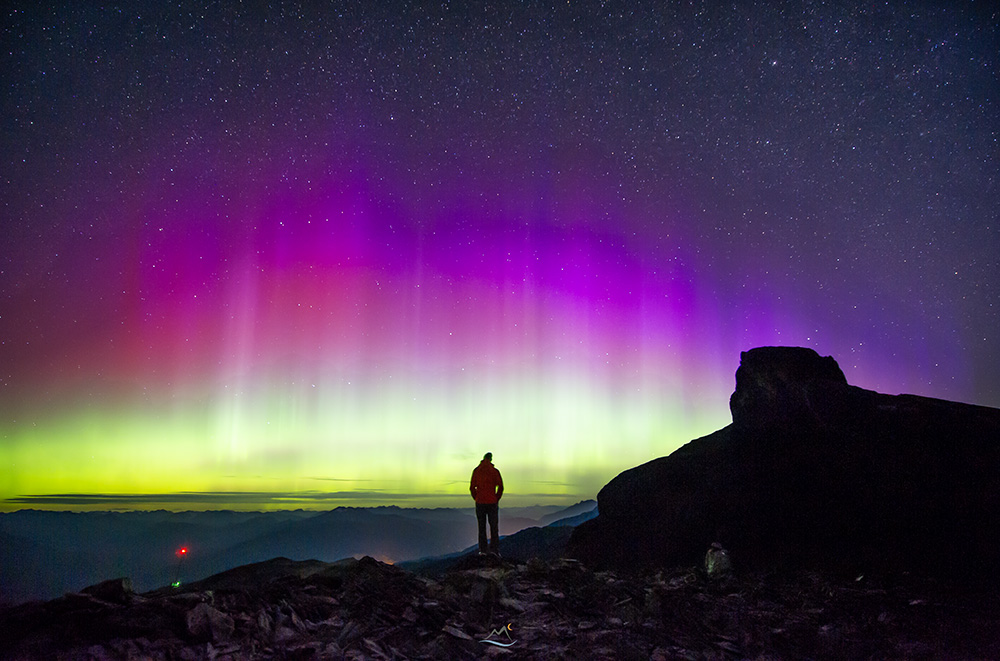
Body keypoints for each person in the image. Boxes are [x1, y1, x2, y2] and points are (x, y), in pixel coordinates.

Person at [470, 452, 504, 555]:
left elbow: (472, 487)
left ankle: (483, 550)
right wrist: (496, 498)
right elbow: (501, 487)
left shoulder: (476, 471)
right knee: (494, 527)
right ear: (491, 459)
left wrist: (476, 497)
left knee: (481, 527)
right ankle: (494, 550)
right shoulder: (494, 471)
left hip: (480, 502)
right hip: (492, 502)